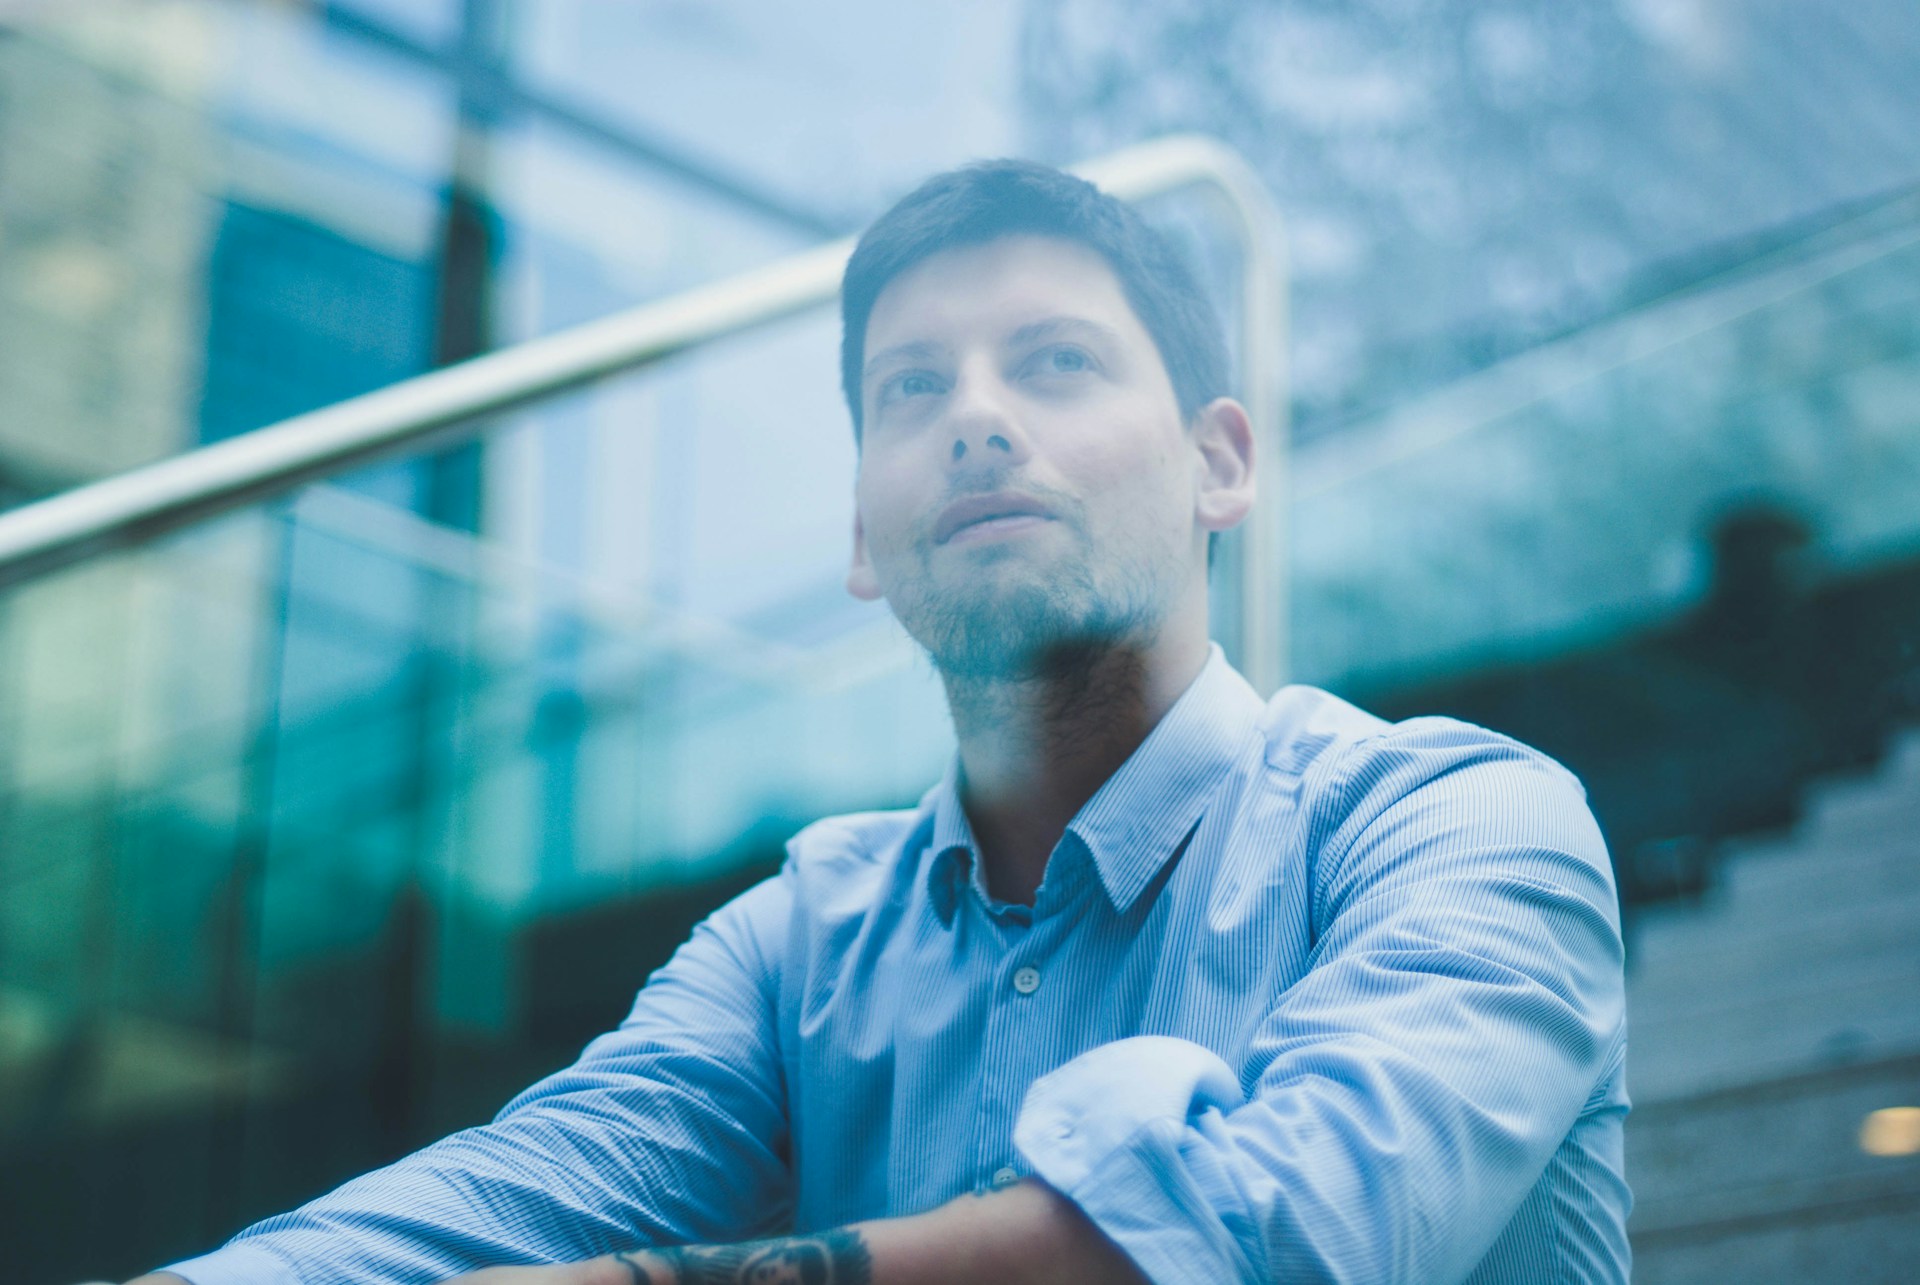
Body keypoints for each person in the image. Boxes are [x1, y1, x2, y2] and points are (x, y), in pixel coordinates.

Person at [128, 160, 1629, 1285]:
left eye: (1056, 362)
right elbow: (497, 1203)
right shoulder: (798, 942)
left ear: (1218, 464)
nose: (977, 417)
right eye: (913, 387)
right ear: (863, 535)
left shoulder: (1463, 823)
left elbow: (1281, 1224)